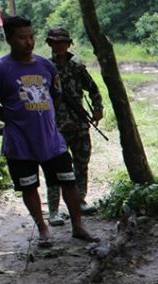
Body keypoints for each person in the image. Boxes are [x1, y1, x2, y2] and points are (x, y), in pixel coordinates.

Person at [0, 15, 97, 247]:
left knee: (69, 181)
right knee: (29, 186)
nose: (28, 42)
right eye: (22, 38)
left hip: (51, 139)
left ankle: (78, 226)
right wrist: (9, 117)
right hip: (19, 142)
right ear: (9, 39)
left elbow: (55, 96)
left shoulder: (46, 66)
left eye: (31, 36)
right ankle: (43, 229)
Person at [45, 27, 103, 226]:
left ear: (68, 44)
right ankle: (53, 211)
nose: (59, 45)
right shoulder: (44, 67)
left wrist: (98, 109)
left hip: (79, 125)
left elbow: (93, 89)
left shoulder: (77, 67)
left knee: (81, 164)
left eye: (62, 41)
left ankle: (80, 201)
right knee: (55, 169)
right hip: (54, 127)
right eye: (54, 41)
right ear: (49, 44)